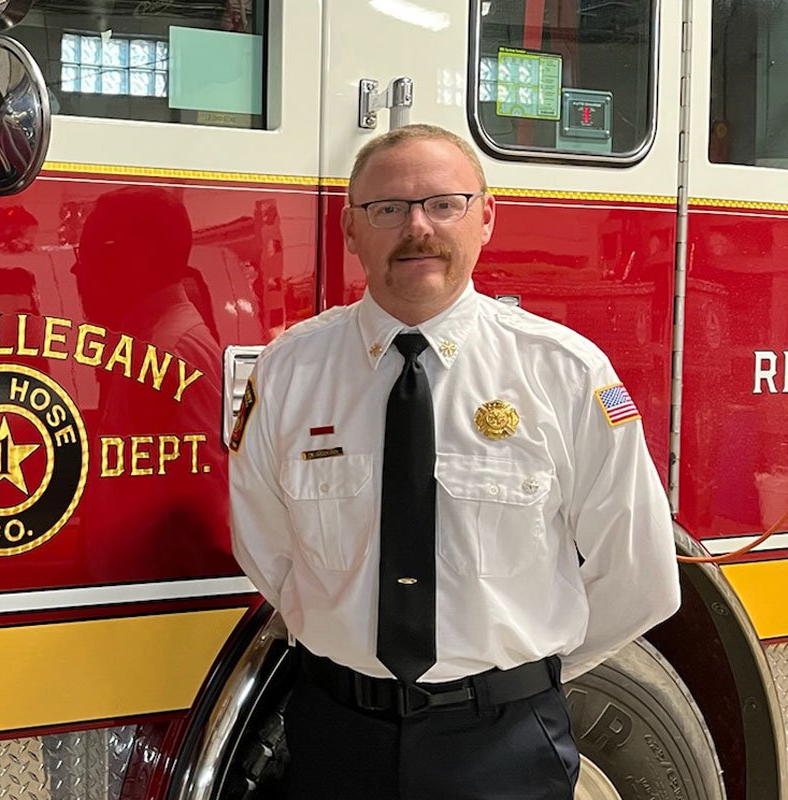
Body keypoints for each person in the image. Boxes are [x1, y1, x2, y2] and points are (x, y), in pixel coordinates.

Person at [227, 123, 677, 799]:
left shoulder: (563, 372)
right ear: (351, 229)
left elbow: (638, 574)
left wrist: (511, 679)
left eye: (444, 204)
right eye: (388, 209)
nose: (418, 227)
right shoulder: (290, 373)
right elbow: (266, 548)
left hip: (503, 746)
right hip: (337, 739)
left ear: (486, 216)